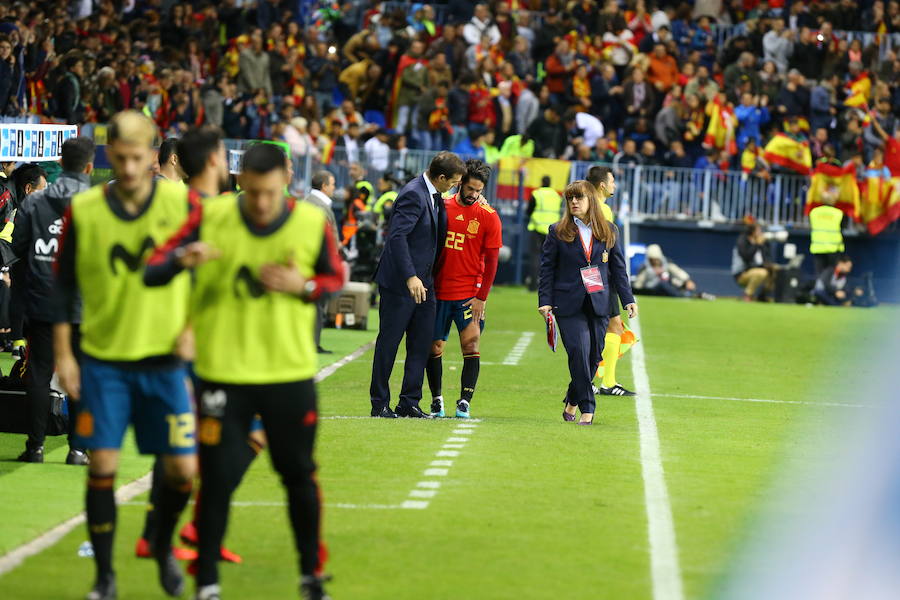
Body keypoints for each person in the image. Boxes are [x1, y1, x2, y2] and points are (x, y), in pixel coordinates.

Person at [144, 142, 344, 600]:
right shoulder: (212, 217)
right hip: (223, 376)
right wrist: (180, 260)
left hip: (288, 375)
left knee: (298, 475)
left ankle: (311, 576)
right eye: (251, 192)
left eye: (269, 193)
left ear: (286, 185)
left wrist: (304, 285)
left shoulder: (310, 222)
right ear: (240, 182)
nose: (259, 203)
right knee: (214, 479)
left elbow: (334, 279)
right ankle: (207, 583)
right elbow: (154, 268)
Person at [53, 111, 197, 600]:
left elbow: (201, 276)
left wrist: (193, 330)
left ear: (154, 156)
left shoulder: (180, 204)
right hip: (104, 361)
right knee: (102, 467)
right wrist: (64, 355)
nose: (131, 168)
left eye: (140, 158)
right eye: (121, 158)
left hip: (165, 362)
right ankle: (105, 579)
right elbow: (63, 285)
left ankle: (159, 540)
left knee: (183, 470)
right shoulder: (86, 208)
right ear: (107, 155)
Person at [133, 126, 248, 566]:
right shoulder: (190, 209)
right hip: (187, 345)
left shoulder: (207, 208)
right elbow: (156, 269)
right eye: (223, 155)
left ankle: (188, 529)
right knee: (194, 442)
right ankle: (169, 532)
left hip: (206, 341)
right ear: (212, 161)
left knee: (221, 437)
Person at [5, 139, 93, 465]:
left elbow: (18, 244)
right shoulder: (100, 204)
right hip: (83, 304)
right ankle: (78, 449)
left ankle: (36, 447)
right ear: (87, 167)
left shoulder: (35, 202)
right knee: (81, 375)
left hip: (42, 299)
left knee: (39, 373)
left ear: (61, 162)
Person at [369, 151, 466, 418]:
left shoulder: (434, 194)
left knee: (421, 342)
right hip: (402, 282)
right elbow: (397, 238)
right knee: (389, 342)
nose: (455, 186)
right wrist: (410, 276)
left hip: (425, 282)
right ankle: (379, 404)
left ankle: (409, 402)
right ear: (442, 177)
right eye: (454, 182)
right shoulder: (413, 193)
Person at [538, 180, 637, 425]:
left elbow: (618, 268)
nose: (573, 202)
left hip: (599, 301)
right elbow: (547, 269)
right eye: (570, 199)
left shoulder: (609, 230)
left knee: (593, 357)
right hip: (567, 302)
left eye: (578, 198)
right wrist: (545, 301)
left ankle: (572, 398)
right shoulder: (556, 231)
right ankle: (587, 407)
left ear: (590, 200)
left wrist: (627, 299)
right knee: (578, 352)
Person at [425, 159, 502, 419]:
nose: (473, 194)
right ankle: (436, 399)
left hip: (469, 295)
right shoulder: (442, 207)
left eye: (478, 190)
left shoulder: (489, 217)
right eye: (469, 189)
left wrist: (482, 298)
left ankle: (465, 402)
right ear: (460, 184)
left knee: (471, 345)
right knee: (434, 348)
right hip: (438, 292)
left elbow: (492, 263)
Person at [586, 166, 636, 397]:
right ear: (603, 185)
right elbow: (605, 249)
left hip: (590, 275)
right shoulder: (602, 210)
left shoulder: (586, 206)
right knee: (607, 326)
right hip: (600, 276)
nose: (615, 185)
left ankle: (598, 380)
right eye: (612, 181)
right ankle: (604, 382)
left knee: (606, 325)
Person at [303, 169, 340, 354]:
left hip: (312, 260)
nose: (334, 188)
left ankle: (311, 342)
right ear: (324, 186)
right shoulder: (318, 205)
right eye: (332, 184)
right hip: (316, 262)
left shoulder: (311, 202)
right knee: (315, 304)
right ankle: (312, 343)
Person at [633, 244, 715, 299]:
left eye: (656, 259)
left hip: (667, 287)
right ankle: (686, 295)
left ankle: (695, 294)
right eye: (652, 260)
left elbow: (678, 272)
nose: (655, 262)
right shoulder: (645, 267)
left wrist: (687, 280)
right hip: (650, 290)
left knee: (671, 280)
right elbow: (638, 284)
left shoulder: (666, 263)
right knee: (664, 283)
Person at [526, 176, 562, 291]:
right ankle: (553, 285)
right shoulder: (556, 195)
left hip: (537, 228)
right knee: (553, 258)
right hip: (552, 231)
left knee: (535, 257)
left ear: (541, 182)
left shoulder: (537, 194)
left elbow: (529, 211)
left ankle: (533, 285)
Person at [731, 223, 774, 301]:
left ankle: (762, 296)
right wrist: (757, 244)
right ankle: (747, 294)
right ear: (752, 232)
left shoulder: (761, 242)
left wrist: (764, 244)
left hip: (755, 269)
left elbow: (766, 257)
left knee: (775, 270)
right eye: (758, 231)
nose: (761, 233)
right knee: (762, 272)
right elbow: (747, 257)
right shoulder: (742, 240)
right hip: (742, 273)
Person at [808, 201, 845, 276]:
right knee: (832, 274)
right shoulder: (838, 213)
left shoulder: (814, 212)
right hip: (833, 248)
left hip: (818, 247)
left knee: (819, 273)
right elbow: (843, 227)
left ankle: (820, 287)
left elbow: (811, 225)